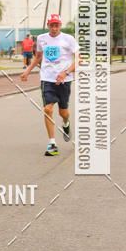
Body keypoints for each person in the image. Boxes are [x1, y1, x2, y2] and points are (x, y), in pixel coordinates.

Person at [20, 14, 78, 156]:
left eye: (56, 25)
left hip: (64, 80)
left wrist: (65, 73)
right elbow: (38, 57)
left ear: (60, 25)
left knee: (63, 112)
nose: (54, 28)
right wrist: (27, 71)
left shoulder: (68, 39)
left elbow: (79, 60)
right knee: (47, 109)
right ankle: (52, 143)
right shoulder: (41, 38)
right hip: (47, 79)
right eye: (51, 25)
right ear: (48, 25)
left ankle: (66, 123)